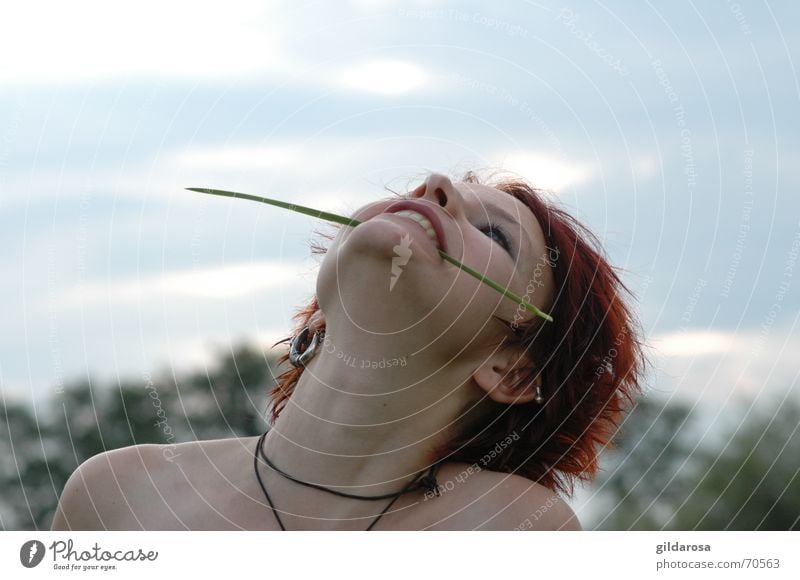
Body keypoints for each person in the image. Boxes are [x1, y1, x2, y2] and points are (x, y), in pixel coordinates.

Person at [51, 171, 647, 531]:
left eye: (495, 235)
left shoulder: (513, 530)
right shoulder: (116, 492)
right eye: (418, 194)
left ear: (512, 369)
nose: (435, 188)